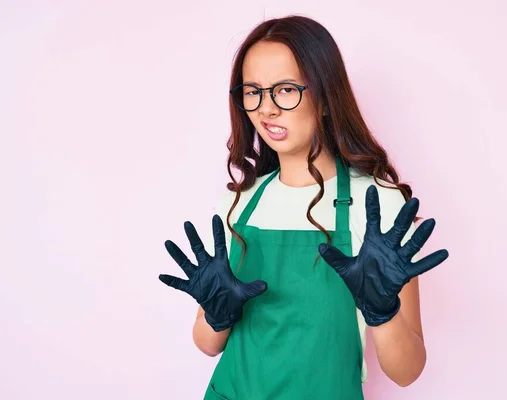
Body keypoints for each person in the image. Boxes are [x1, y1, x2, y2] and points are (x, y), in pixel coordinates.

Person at [159, 14, 449, 400]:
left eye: (285, 90)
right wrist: (216, 315)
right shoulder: (239, 201)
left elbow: (407, 371)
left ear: (326, 98)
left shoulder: (377, 205)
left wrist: (384, 311)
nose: (267, 109)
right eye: (253, 91)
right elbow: (209, 344)